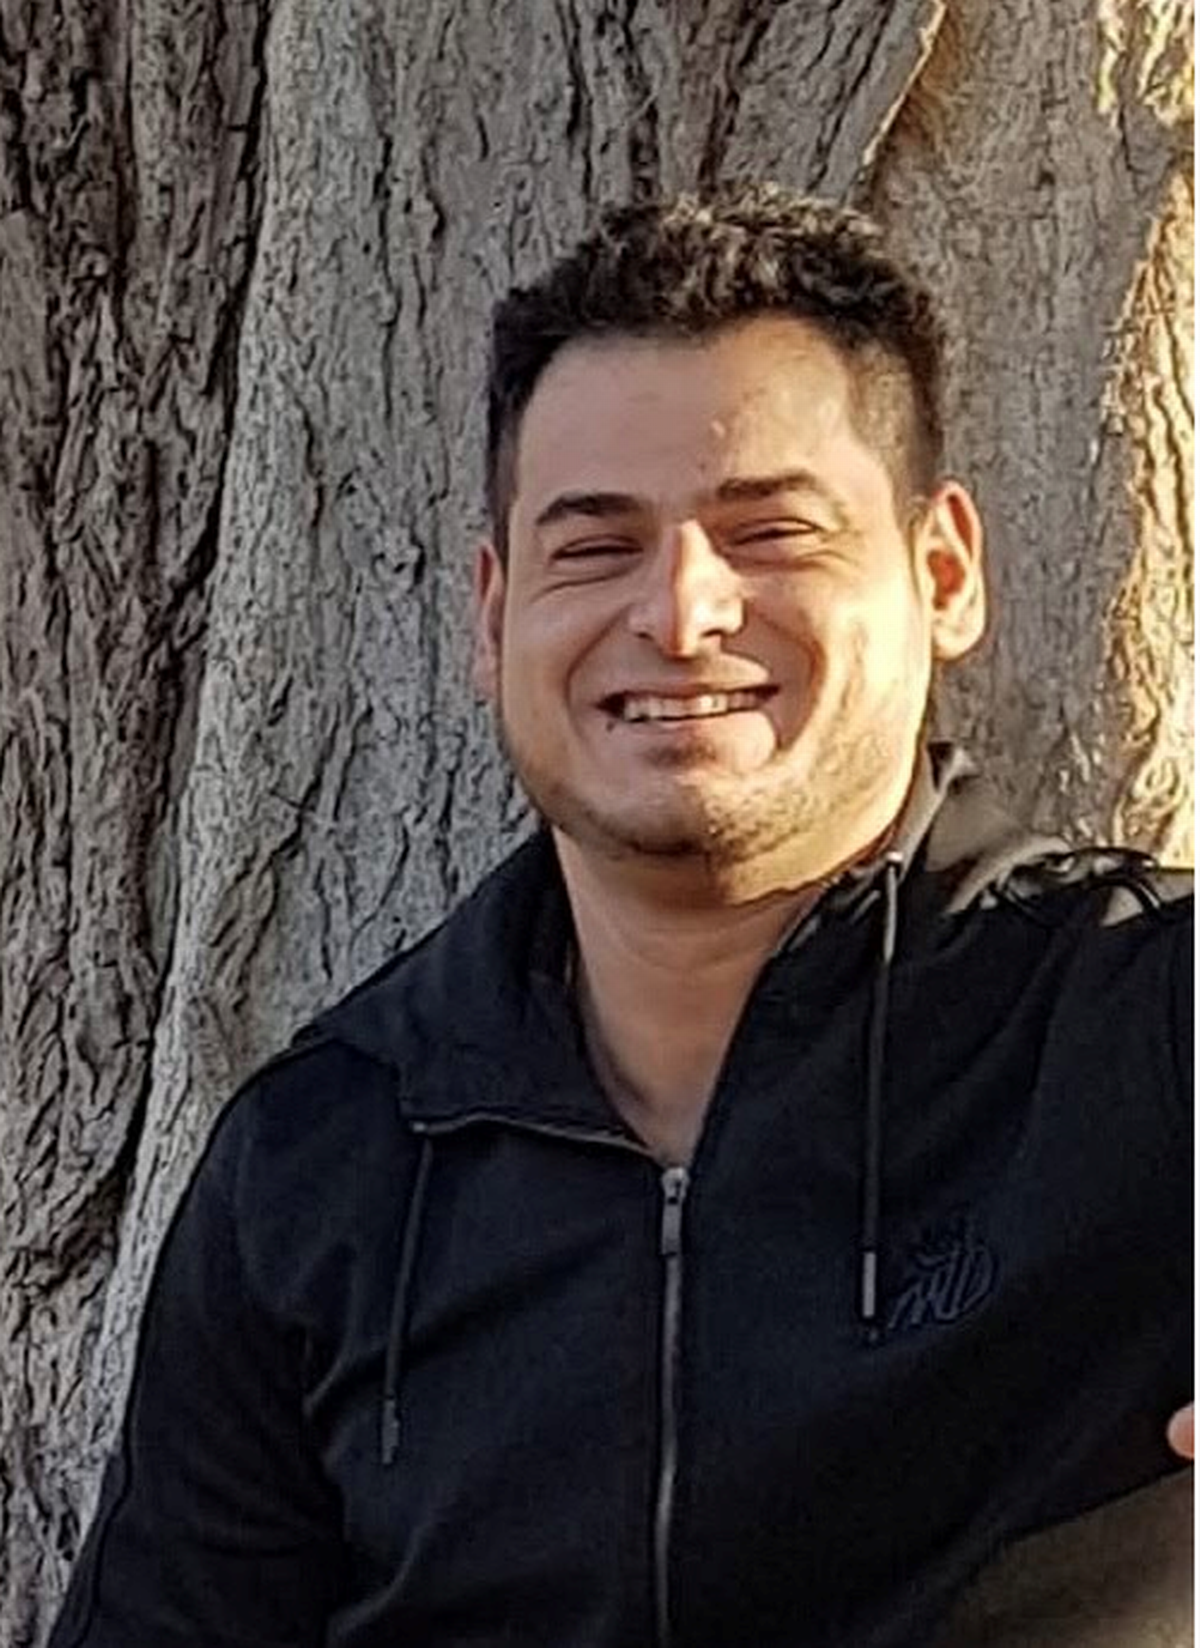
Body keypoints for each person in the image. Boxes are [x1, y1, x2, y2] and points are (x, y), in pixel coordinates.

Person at [49, 186, 1192, 1648]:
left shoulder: (1148, 1023)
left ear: (942, 575)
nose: (682, 613)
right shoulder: (324, 1159)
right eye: (597, 547)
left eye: (771, 532)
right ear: (493, 615)